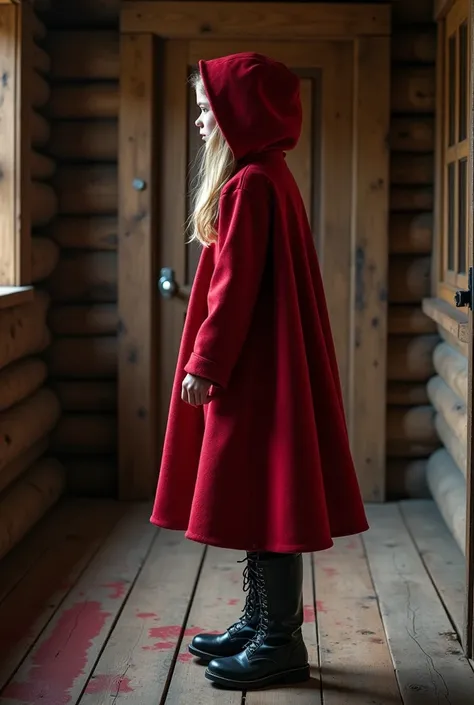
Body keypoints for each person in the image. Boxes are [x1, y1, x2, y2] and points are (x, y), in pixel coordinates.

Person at [150, 52, 369, 690]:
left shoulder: (250, 185)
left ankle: (280, 640)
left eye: (205, 110)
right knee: (261, 492)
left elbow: (235, 289)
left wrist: (206, 363)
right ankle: (260, 620)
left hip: (252, 370)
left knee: (269, 492)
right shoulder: (266, 175)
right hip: (265, 366)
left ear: (238, 113)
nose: (198, 121)